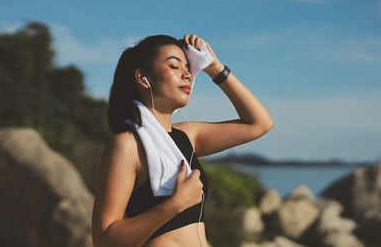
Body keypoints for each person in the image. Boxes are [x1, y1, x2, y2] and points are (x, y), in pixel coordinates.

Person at [91, 34, 274, 247]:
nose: (187, 74)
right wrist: (174, 205)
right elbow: (103, 239)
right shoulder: (127, 144)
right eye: (174, 66)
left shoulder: (188, 135)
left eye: (188, 67)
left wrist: (214, 68)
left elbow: (259, 123)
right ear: (143, 78)